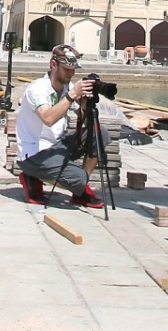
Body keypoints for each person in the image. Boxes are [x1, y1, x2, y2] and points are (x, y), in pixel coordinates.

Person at [13, 44, 105, 208]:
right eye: (66, 69)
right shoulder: (38, 88)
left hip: (56, 146)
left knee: (99, 133)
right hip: (34, 152)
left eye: (73, 70)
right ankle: (33, 176)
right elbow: (48, 118)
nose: (71, 74)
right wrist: (71, 96)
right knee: (78, 178)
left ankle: (79, 191)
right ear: (53, 65)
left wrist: (85, 106)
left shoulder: (67, 87)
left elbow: (83, 119)